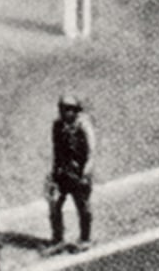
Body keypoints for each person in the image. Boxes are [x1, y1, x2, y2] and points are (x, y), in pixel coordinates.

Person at [47, 94, 96, 252]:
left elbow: (91, 152)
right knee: (54, 205)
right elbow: (57, 151)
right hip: (63, 173)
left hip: (79, 173)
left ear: (76, 111)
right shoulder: (57, 126)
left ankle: (85, 238)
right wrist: (54, 174)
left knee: (82, 206)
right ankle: (58, 239)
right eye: (62, 109)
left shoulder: (84, 126)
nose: (64, 112)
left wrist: (85, 174)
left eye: (68, 109)